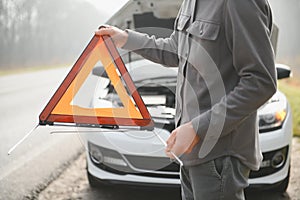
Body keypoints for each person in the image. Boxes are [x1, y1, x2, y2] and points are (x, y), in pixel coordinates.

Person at [95, 0, 277, 199]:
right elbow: (176, 50)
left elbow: (261, 82)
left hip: (219, 155)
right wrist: (126, 39)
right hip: (192, 153)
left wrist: (199, 129)